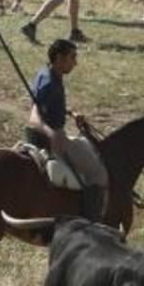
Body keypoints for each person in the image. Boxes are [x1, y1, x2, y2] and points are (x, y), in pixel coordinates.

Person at [25, 39, 108, 218]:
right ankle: (91, 222)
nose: (76, 63)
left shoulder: (49, 73)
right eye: (73, 57)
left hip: (54, 135)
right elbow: (34, 117)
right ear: (60, 58)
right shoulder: (49, 83)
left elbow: (49, 106)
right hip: (51, 140)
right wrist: (51, 133)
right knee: (98, 173)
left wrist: (71, 113)